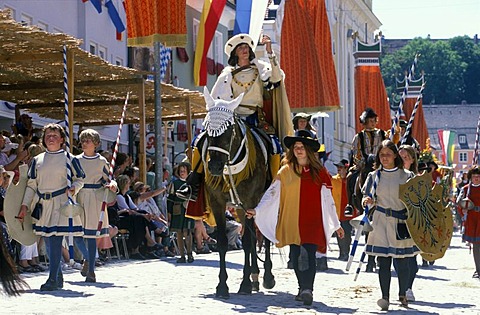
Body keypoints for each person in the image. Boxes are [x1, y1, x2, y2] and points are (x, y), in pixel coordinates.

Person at [176, 33, 293, 201]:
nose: (244, 50)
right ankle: (194, 182)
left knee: (274, 145)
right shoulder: (226, 74)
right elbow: (217, 99)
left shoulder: (260, 68)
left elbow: (276, 78)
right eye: (241, 48)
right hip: (230, 117)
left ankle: (274, 187)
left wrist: (270, 53)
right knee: (200, 140)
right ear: (235, 53)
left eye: (246, 47)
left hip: (254, 118)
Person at [246, 130, 344, 306]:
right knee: (296, 255)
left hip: (313, 221)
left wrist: (336, 224)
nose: (298, 150)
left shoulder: (319, 172)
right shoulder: (285, 171)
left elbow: (328, 200)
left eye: (301, 147)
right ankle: (301, 287)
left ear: (308, 150)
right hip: (291, 220)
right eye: (296, 147)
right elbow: (272, 193)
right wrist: (258, 210)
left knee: (309, 255)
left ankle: (308, 289)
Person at [16, 123, 85, 291]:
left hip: (62, 202)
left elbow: (80, 179)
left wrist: (74, 187)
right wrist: (25, 205)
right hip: (43, 205)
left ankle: (52, 278)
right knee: (48, 242)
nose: (51, 138)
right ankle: (58, 277)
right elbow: (32, 185)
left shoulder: (70, 159)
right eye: (48, 135)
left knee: (54, 241)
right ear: (43, 140)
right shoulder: (37, 161)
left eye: (54, 135)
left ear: (62, 139)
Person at [361, 140, 420, 310]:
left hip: (400, 222)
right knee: (383, 261)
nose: (385, 157)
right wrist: (367, 201)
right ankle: (384, 297)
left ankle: (402, 293)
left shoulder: (407, 176)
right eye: (381, 155)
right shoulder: (374, 176)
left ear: (395, 155)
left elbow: (415, 200)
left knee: (401, 261)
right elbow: (368, 197)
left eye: (388, 154)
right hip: (380, 220)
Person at [75, 129, 118, 282]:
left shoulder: (101, 161)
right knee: (76, 234)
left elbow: (109, 179)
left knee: (91, 236)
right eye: (83, 140)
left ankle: (91, 270)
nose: (85, 143)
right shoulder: (76, 160)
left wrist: (113, 185)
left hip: (95, 198)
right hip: (79, 197)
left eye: (88, 140)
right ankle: (88, 258)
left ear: (96, 144)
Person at [396, 144, 420, 302]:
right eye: (400, 158)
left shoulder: (415, 178)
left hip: (411, 222)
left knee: (411, 259)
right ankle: (402, 289)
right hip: (394, 221)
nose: (402, 161)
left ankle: (408, 287)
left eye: (405, 158)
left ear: (412, 160)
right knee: (398, 258)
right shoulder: (390, 176)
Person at [167, 162, 195, 263]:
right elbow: (170, 199)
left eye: (184, 171)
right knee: (179, 232)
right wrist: (169, 212)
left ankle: (189, 254)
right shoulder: (175, 183)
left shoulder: (192, 183)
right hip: (178, 210)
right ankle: (182, 255)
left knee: (187, 232)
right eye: (181, 171)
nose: (182, 173)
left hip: (189, 210)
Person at [456, 165, 480, 279]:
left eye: (478, 176)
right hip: (472, 220)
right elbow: (460, 203)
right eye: (474, 176)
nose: (476, 178)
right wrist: (463, 209)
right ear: (470, 177)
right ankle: (478, 270)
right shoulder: (466, 189)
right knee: (476, 246)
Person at [332, 159, 353, 262]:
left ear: (346, 169)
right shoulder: (333, 180)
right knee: (338, 233)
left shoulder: (350, 180)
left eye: (341, 167)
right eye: (338, 168)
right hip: (337, 211)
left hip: (348, 212)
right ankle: (342, 252)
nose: (338, 169)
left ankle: (346, 252)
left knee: (347, 233)